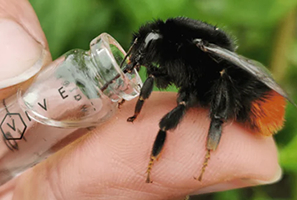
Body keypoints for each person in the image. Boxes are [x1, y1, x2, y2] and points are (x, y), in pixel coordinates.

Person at [0, 0, 281, 199]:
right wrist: (137, 108)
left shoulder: (197, 52)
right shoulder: (180, 59)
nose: (138, 58)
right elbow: (151, 79)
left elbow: (218, 75)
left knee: (187, 100)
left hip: (254, 100)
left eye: (142, 49)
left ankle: (209, 150)